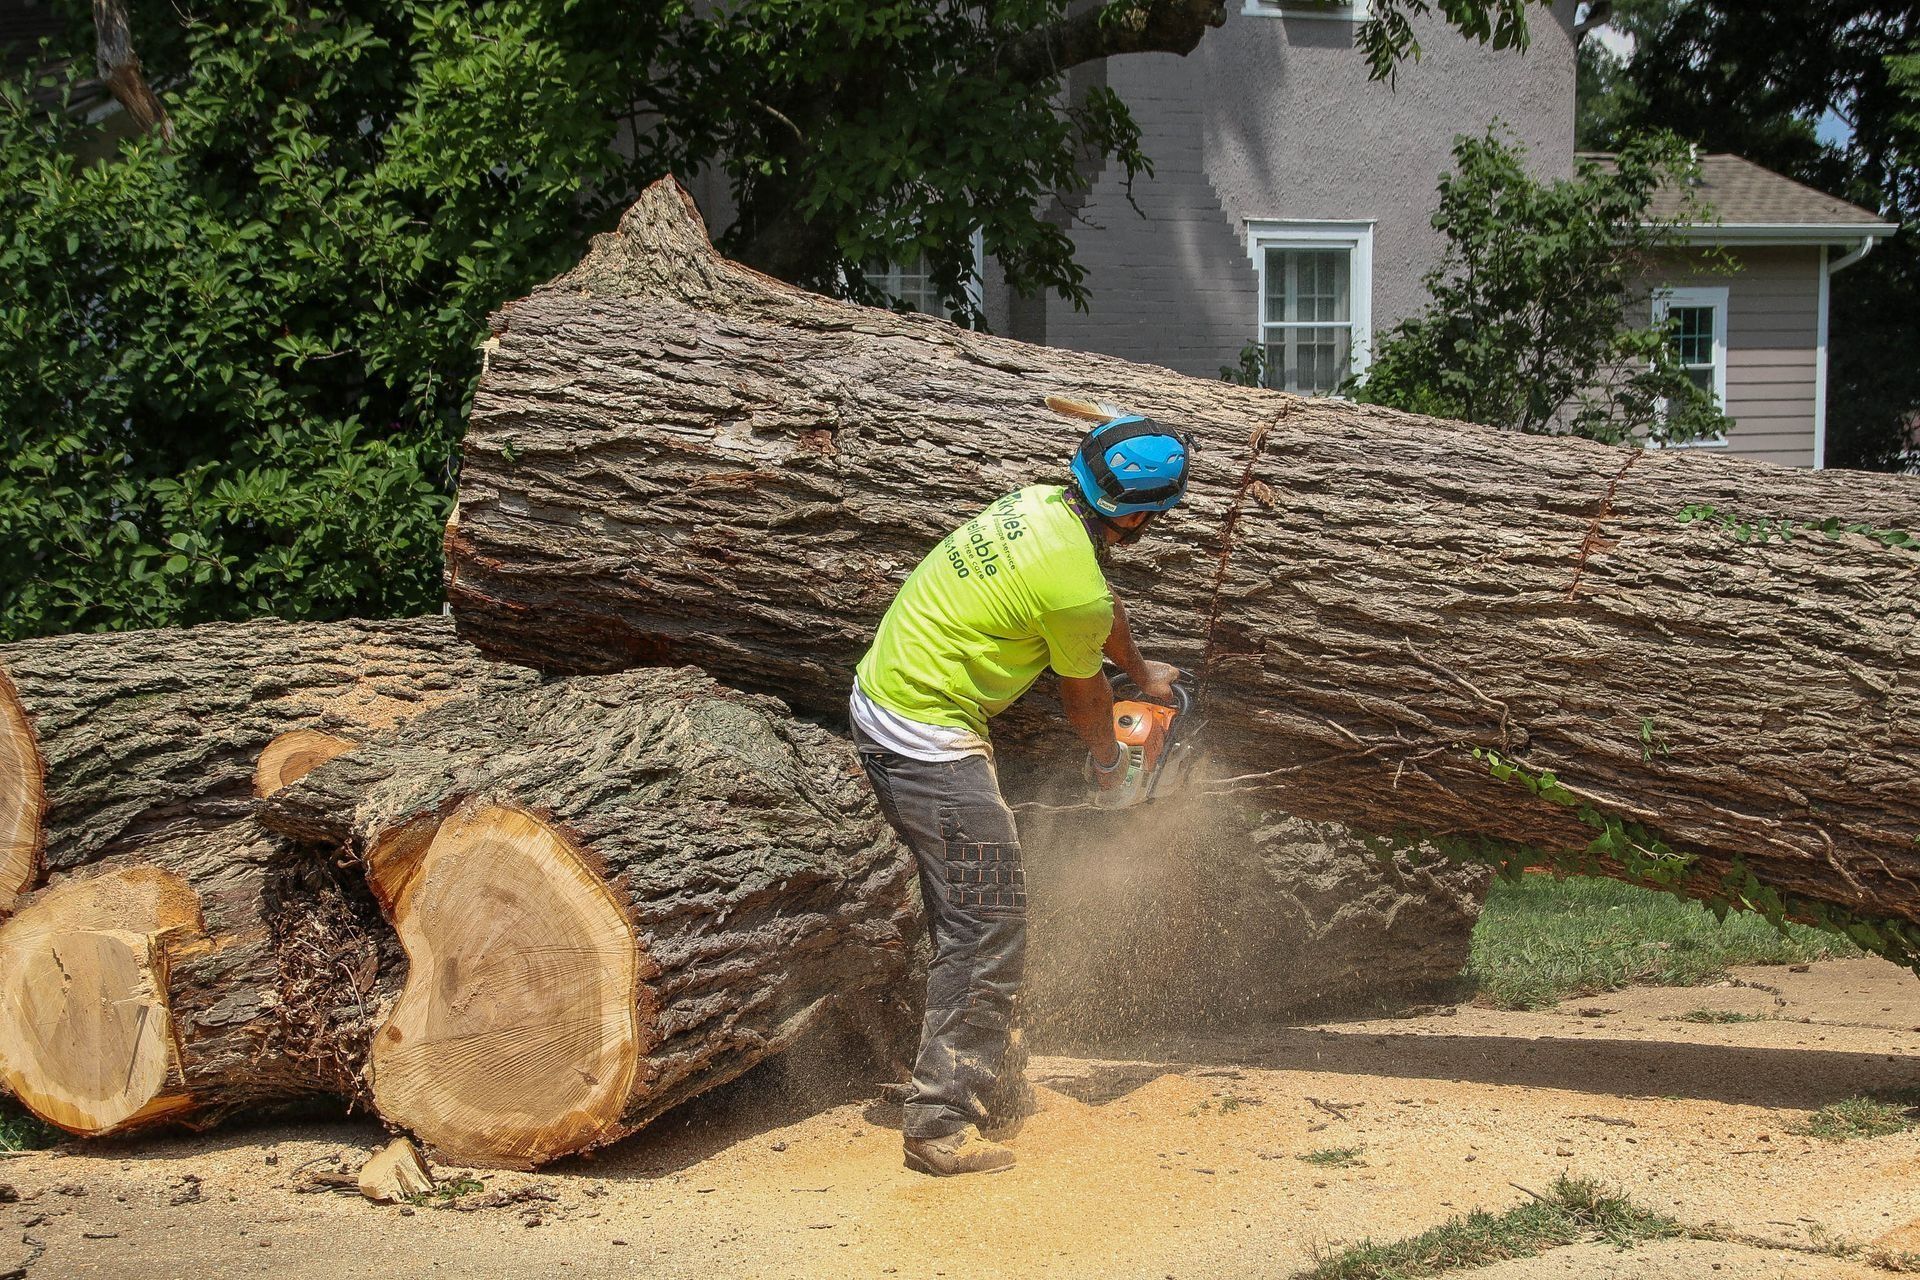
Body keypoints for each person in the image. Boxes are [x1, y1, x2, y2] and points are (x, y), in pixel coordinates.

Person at [849, 415, 1193, 1177]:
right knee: (986, 919)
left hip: (891, 694)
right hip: (925, 739)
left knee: (967, 910)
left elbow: (1097, 604)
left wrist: (1143, 676)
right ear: (1138, 514)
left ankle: (985, 1069)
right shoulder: (1072, 587)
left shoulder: (1040, 505)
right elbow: (1082, 701)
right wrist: (1113, 770)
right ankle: (939, 1122)